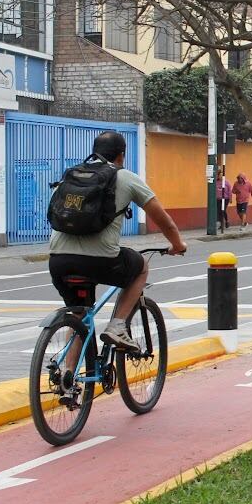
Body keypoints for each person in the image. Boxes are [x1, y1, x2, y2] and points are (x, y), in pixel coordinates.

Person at [48, 131, 186, 351]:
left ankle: (67, 376)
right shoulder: (124, 176)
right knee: (140, 268)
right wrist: (178, 245)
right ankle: (117, 326)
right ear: (121, 156)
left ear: (94, 152)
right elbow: (163, 220)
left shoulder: (72, 176)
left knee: (79, 315)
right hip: (101, 261)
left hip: (58, 260)